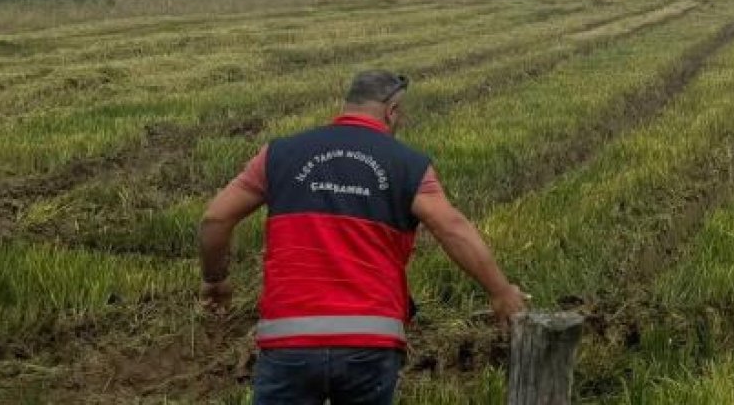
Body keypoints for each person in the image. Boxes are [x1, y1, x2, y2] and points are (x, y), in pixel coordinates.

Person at [198, 70, 527, 404]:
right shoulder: (407, 164)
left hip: (290, 339)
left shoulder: (278, 154)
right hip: (370, 341)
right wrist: (499, 291)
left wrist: (215, 279)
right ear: (391, 111)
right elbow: (451, 227)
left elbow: (215, 219)